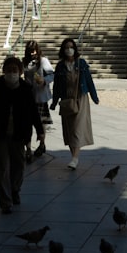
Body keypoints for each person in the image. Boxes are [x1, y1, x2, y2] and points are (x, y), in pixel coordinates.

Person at [0, 56, 45, 214]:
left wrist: (40, 130)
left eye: (15, 70)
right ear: (4, 71)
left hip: (19, 133)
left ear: (20, 72)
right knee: (2, 167)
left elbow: (33, 112)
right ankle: (5, 202)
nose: (12, 73)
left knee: (18, 165)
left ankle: (14, 190)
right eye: (9, 70)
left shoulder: (26, 89)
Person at [49, 37, 99, 169]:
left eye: (71, 47)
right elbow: (57, 86)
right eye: (66, 47)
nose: (69, 50)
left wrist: (94, 96)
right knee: (69, 129)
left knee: (77, 128)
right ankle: (73, 157)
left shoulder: (81, 63)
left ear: (75, 49)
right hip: (66, 100)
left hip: (80, 98)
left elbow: (89, 80)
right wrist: (54, 102)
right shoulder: (60, 66)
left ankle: (75, 158)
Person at [22, 40, 54, 161]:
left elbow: (51, 74)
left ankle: (41, 144)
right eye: (30, 51)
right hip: (28, 97)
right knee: (27, 124)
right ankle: (28, 148)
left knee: (41, 123)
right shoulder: (25, 61)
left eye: (34, 50)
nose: (33, 53)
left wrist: (44, 80)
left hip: (40, 97)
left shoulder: (43, 60)